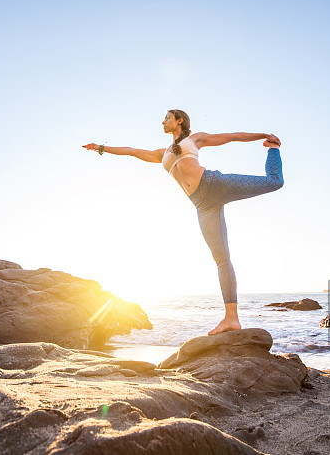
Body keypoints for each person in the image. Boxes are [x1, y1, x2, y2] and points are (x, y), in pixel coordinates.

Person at [82, 109, 283, 336]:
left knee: (274, 182)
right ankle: (231, 319)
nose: (162, 121)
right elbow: (131, 151)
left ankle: (274, 150)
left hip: (215, 184)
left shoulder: (195, 139)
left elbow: (232, 136)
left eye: (167, 117)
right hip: (203, 205)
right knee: (222, 260)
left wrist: (264, 136)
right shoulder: (162, 153)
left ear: (179, 120)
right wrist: (101, 148)